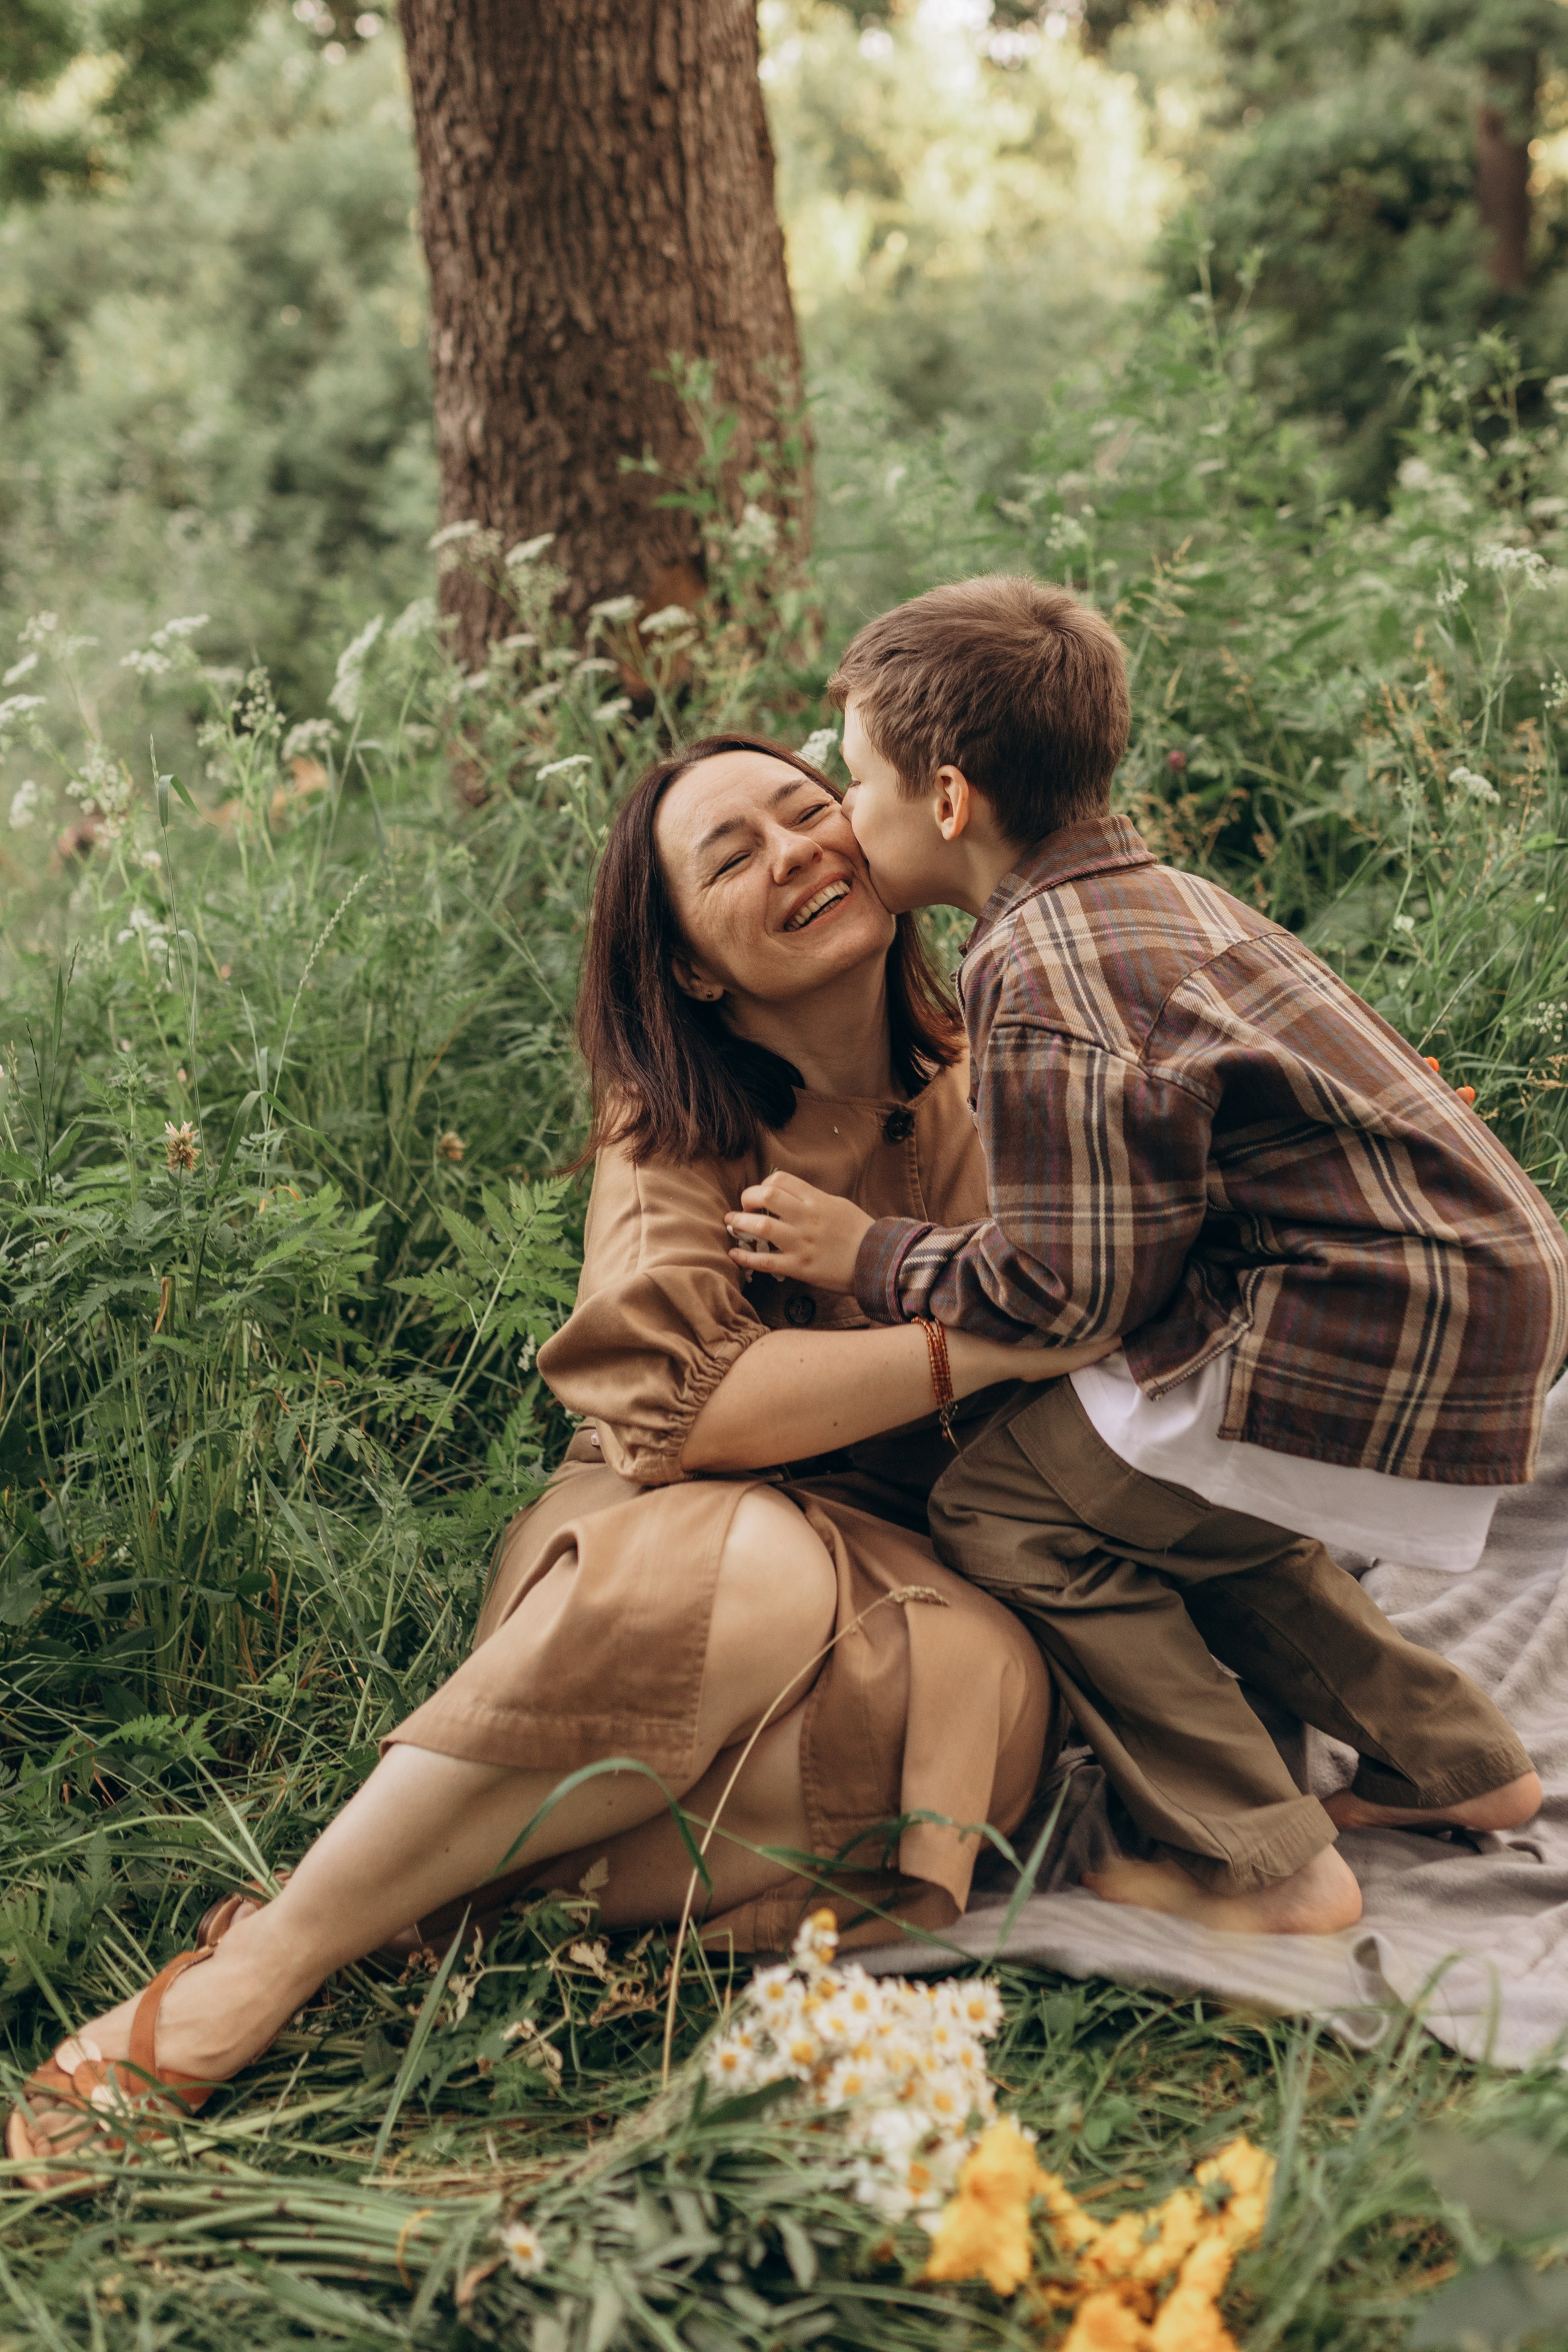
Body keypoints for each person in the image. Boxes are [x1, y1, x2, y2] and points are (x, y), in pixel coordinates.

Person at [7, 730, 1118, 2192]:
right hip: (676, 1535)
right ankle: (262, 1970)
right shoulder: (675, 1125)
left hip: (934, 1587)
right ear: (695, 970)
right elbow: (687, 1412)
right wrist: (999, 1340)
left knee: (936, 1749)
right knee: (757, 1570)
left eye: (806, 809)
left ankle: (405, 1920)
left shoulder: (1013, 1054)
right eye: (732, 856)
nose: (794, 850)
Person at [726, 575, 1565, 1936]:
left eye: (854, 782)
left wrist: (867, 1250)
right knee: (1159, 1491)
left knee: (1008, 1508)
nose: (840, 817)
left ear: (945, 803)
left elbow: (1070, 1294)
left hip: (1365, 1319)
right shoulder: (1143, 894)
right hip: (1447, 1290)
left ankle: (1265, 1861)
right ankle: (1456, 1767)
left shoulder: (1036, 978)